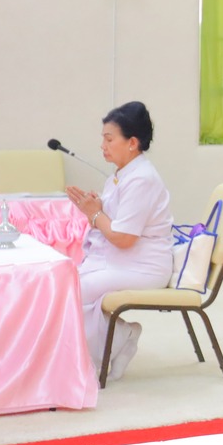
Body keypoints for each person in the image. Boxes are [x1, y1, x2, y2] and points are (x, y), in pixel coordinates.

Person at [64, 101, 174, 381]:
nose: (103, 145)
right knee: (66, 283)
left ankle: (117, 340)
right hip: (121, 261)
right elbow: (113, 224)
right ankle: (120, 338)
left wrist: (95, 212)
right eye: (103, 138)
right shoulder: (122, 175)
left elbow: (124, 238)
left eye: (109, 139)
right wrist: (97, 208)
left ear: (132, 142)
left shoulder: (142, 179)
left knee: (74, 290)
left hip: (143, 266)